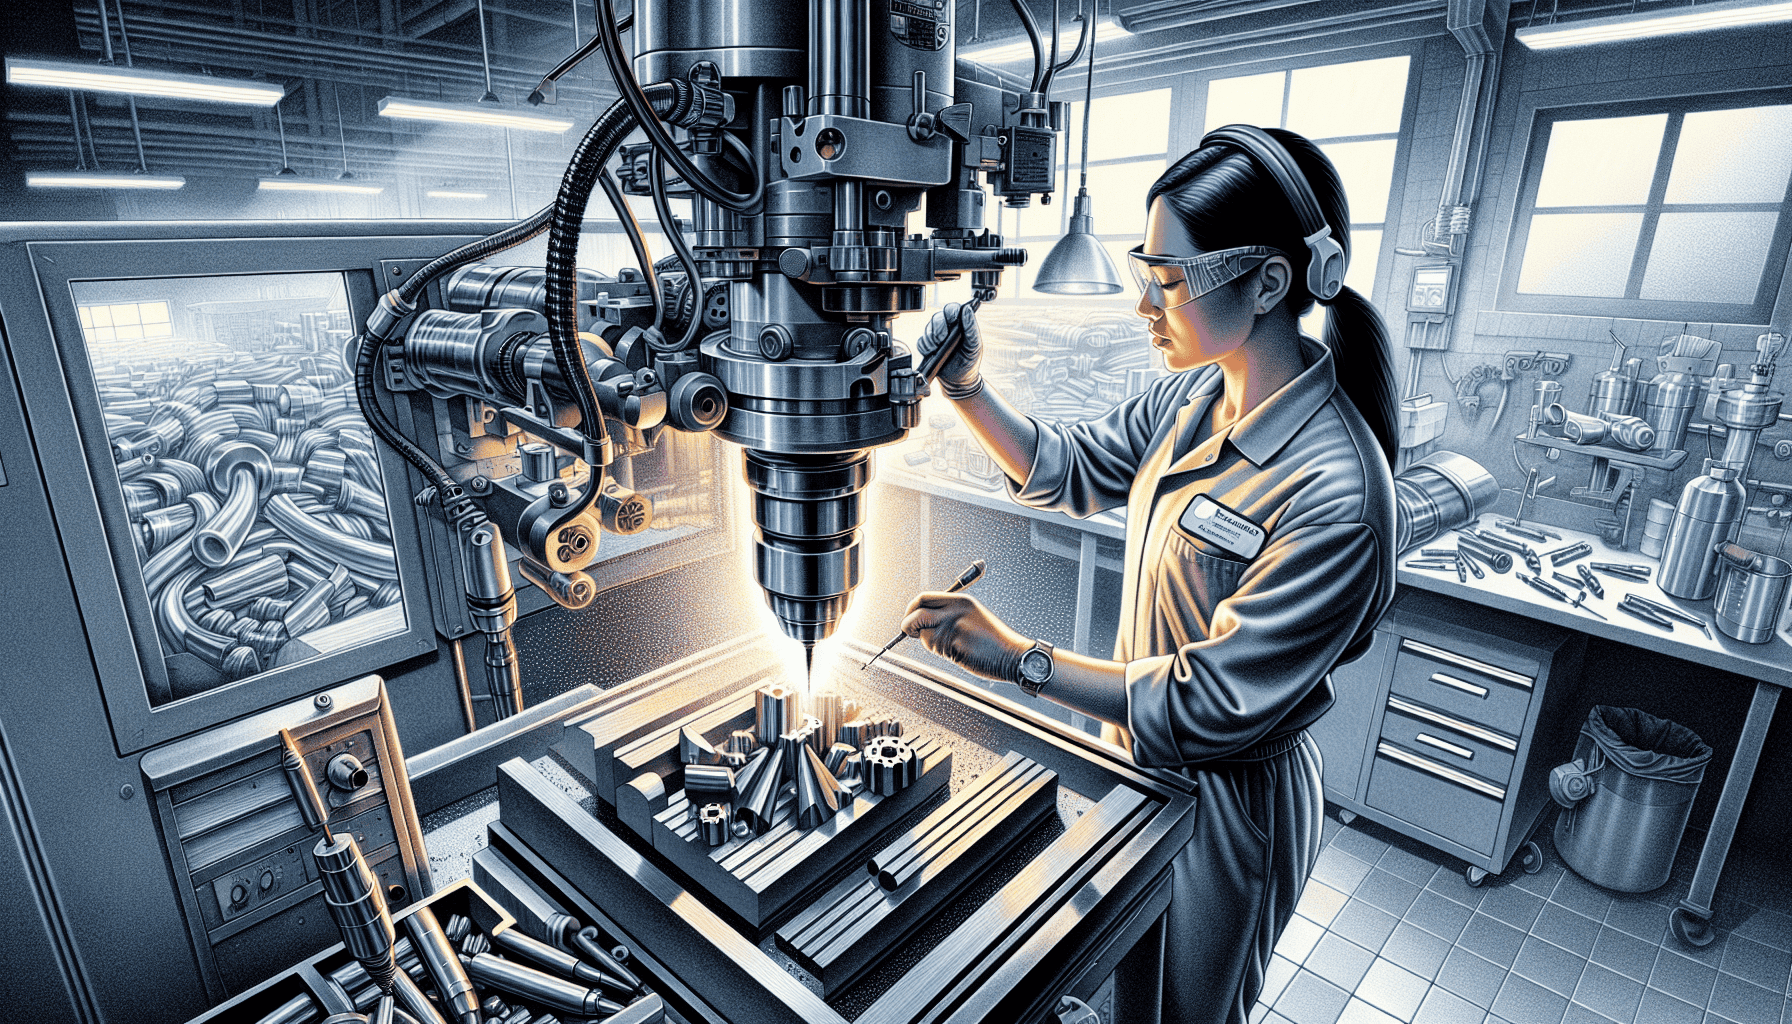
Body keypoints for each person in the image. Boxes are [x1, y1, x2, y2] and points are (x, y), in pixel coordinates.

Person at [902, 125, 1399, 1024]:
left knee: (1179, 1014)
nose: (1144, 306)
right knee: (1113, 985)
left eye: (1166, 281)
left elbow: (1207, 705)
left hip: (1224, 805)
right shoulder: (1195, 395)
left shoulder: (1340, 494)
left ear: (1268, 283)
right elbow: (1072, 466)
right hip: (1133, 761)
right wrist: (968, 388)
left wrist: (1022, 660)